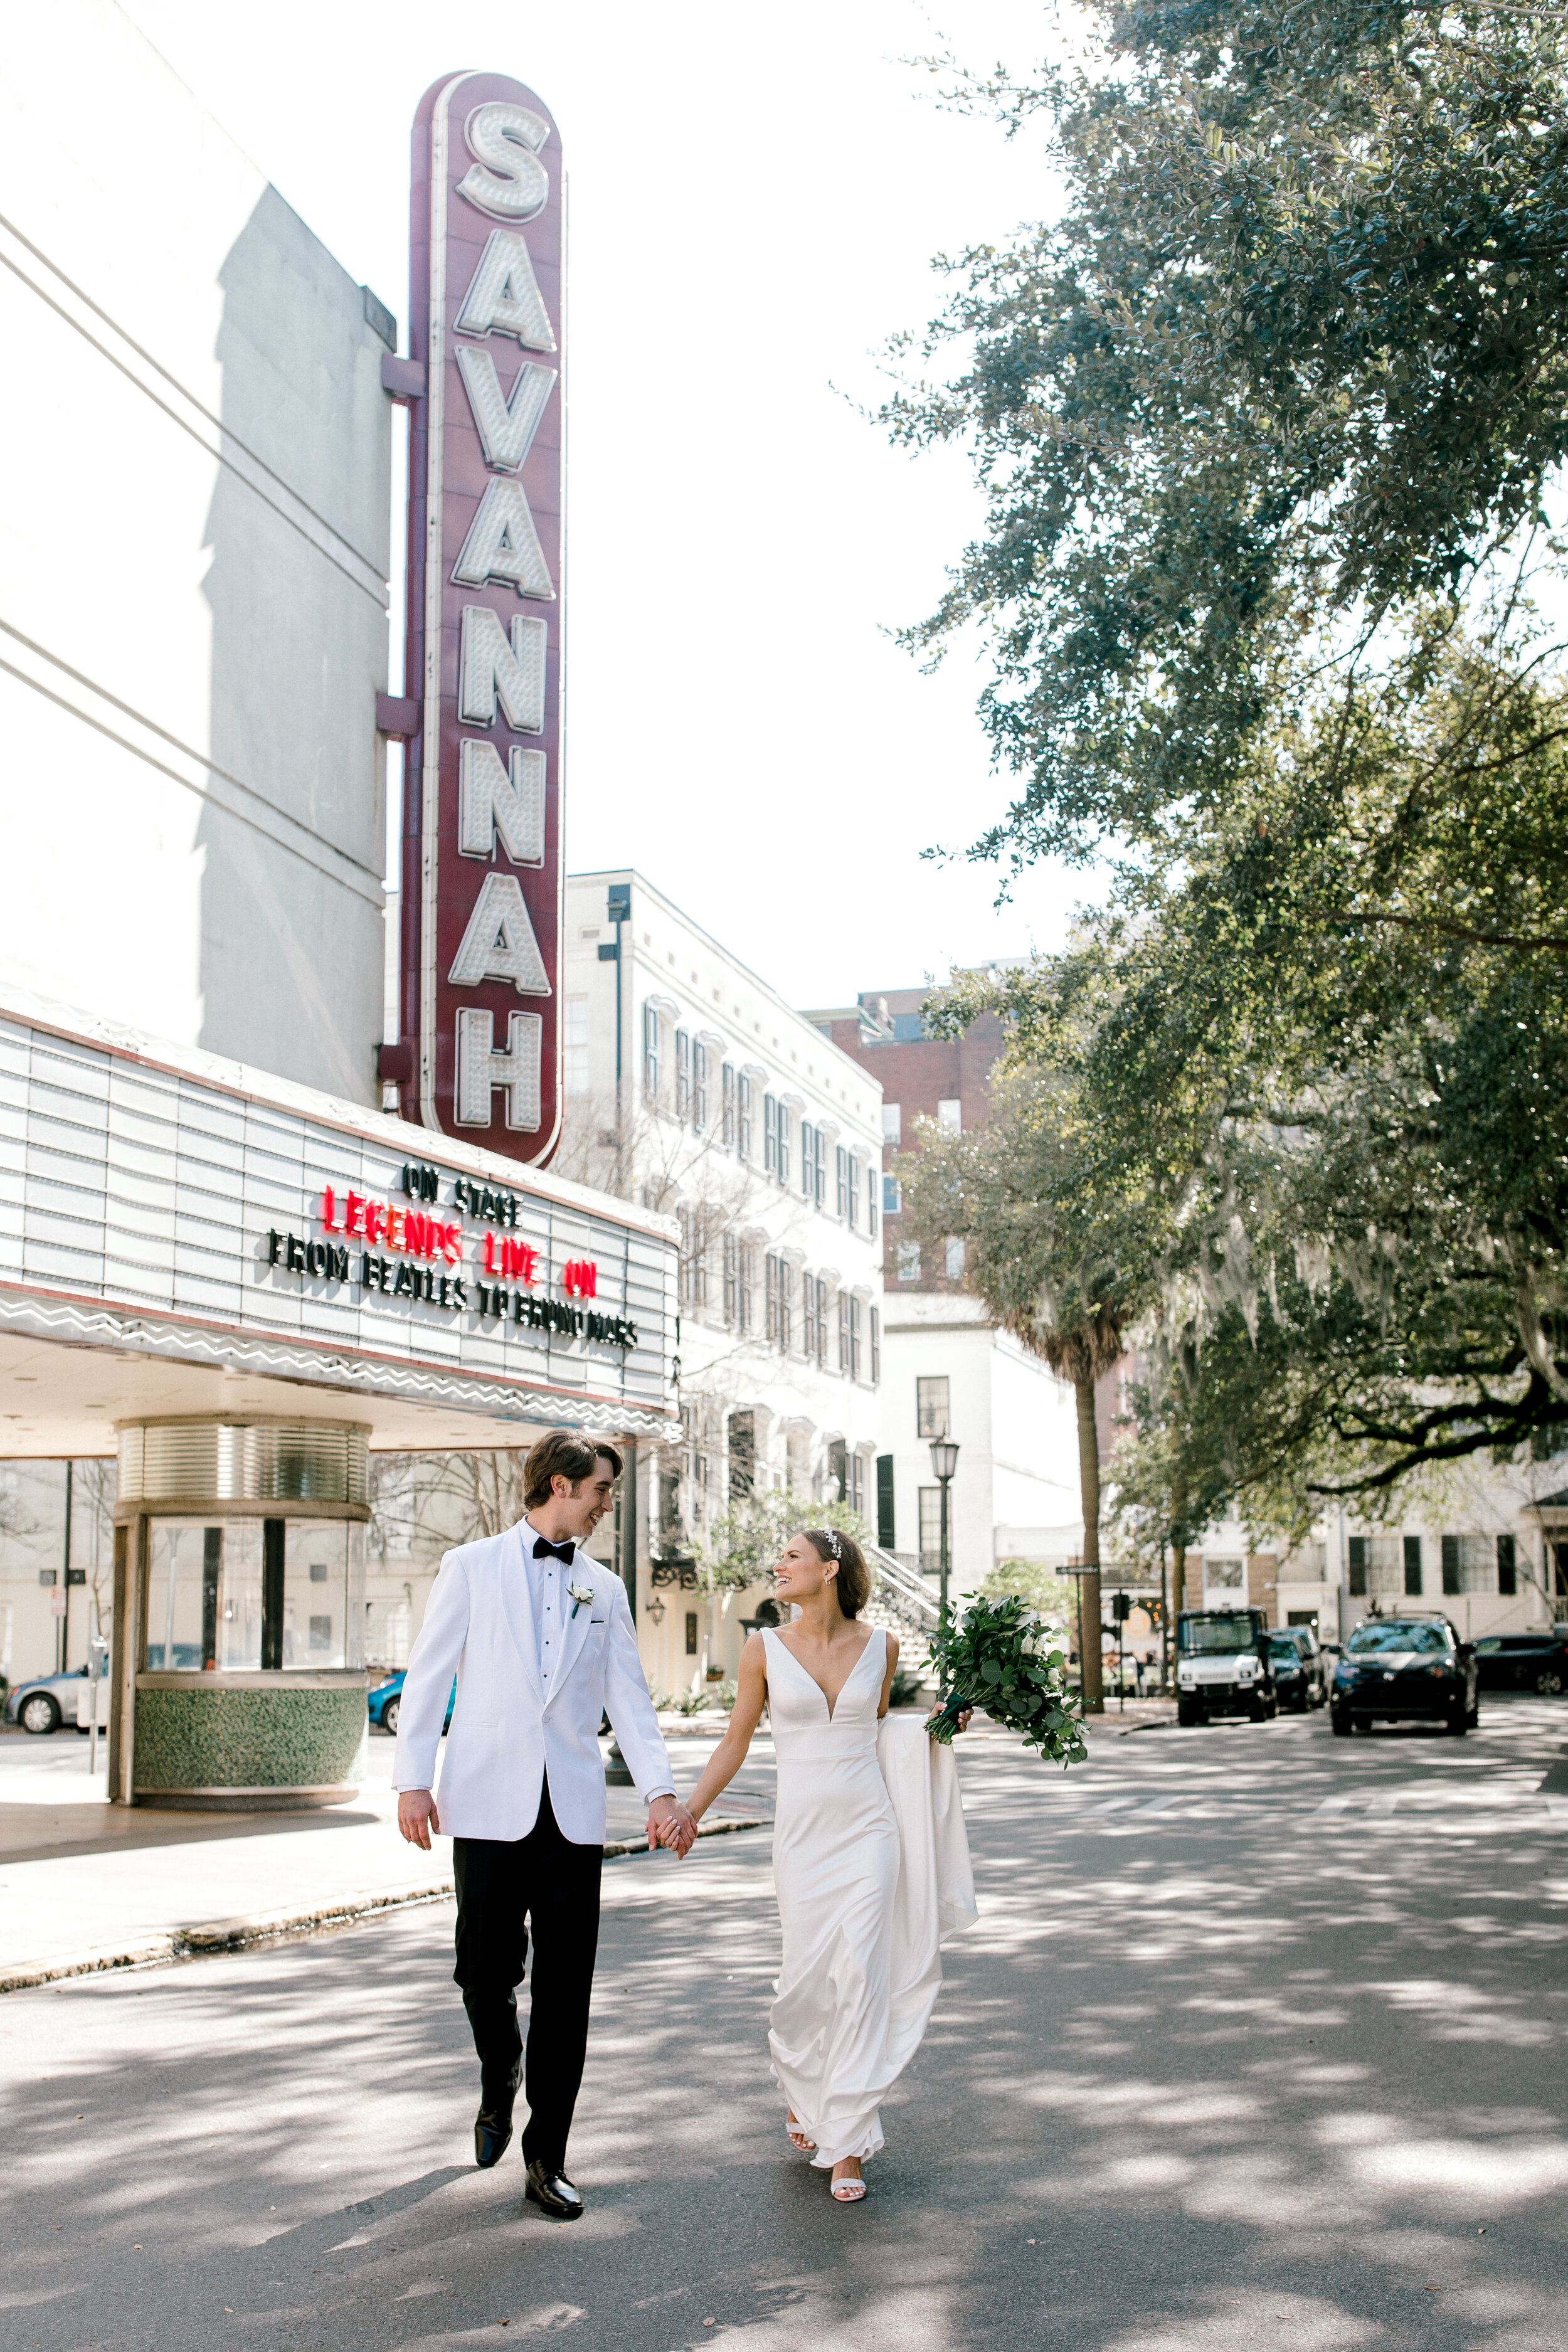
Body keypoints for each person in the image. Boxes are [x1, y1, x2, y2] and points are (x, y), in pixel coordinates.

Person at [393, 1429, 696, 2222]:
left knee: (566, 1994)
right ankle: (501, 2072)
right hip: (488, 1809)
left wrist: (661, 1794)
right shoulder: (469, 1567)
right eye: (599, 1489)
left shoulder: (605, 1587)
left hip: (572, 1817)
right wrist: (412, 1783)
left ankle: (547, 2156)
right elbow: (427, 1678)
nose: (605, 1504)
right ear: (561, 1485)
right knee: (483, 1976)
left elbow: (629, 1697)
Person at [669, 1527, 975, 2203]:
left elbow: (886, 1734)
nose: (777, 1565)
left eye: (791, 1557)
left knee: (861, 1975)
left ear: (830, 1570)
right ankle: (805, 2091)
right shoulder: (763, 1648)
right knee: (806, 1986)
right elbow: (735, 1740)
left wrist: (941, 1726)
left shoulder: (883, 1646)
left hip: (871, 1830)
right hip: (804, 1837)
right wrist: (689, 1810)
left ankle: (847, 2141)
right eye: (778, 1558)